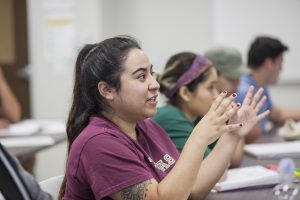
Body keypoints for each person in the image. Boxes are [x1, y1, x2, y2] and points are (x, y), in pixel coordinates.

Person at [59, 35, 268, 200]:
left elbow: (191, 189)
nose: (155, 84)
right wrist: (199, 137)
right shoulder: (98, 143)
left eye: (152, 73)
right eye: (141, 76)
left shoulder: (147, 128)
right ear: (107, 90)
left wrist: (232, 134)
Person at [152, 52, 253, 168]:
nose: (216, 95)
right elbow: (215, 171)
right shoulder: (170, 117)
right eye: (210, 87)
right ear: (185, 93)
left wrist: (235, 122)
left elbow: (233, 161)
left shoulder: (199, 117)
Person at [236, 36, 300, 143]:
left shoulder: (258, 85)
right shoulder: (247, 91)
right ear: (269, 64)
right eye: (280, 64)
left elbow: (276, 114)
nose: (281, 69)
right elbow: (251, 134)